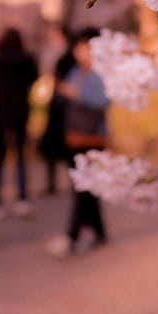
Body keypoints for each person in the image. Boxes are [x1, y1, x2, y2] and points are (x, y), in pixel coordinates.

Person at [46, 31, 110, 257]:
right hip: (73, 137)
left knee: (83, 189)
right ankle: (99, 232)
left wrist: (76, 93)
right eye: (79, 48)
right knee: (86, 189)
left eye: (86, 47)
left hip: (91, 138)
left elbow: (104, 100)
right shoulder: (76, 71)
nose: (81, 52)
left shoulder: (100, 74)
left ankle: (71, 236)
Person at [0, 28, 39, 219]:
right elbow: (34, 78)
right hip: (20, 112)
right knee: (20, 158)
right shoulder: (26, 60)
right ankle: (22, 198)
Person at [38, 25, 75, 196]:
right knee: (53, 147)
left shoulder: (67, 56)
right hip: (56, 105)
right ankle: (54, 182)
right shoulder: (54, 53)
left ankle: (74, 181)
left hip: (65, 107)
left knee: (67, 147)